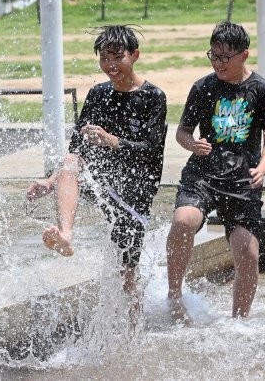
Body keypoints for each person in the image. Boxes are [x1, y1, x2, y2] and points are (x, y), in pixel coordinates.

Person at [26, 25, 168, 325]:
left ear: (135, 55)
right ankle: (66, 233)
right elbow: (77, 147)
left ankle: (134, 332)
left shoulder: (153, 97)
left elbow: (152, 150)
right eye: (104, 58)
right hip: (103, 182)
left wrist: (111, 140)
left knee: (127, 274)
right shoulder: (98, 94)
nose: (111, 65)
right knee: (68, 162)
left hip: (135, 192)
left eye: (117, 57)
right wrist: (50, 182)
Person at [166, 21, 265, 320]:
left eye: (224, 57)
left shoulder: (263, 90)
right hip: (203, 174)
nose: (218, 63)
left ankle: (239, 320)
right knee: (183, 220)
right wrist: (192, 145)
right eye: (213, 56)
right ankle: (174, 296)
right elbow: (181, 133)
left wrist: (263, 167)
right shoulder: (203, 87)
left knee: (249, 253)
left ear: (243, 55)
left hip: (243, 180)